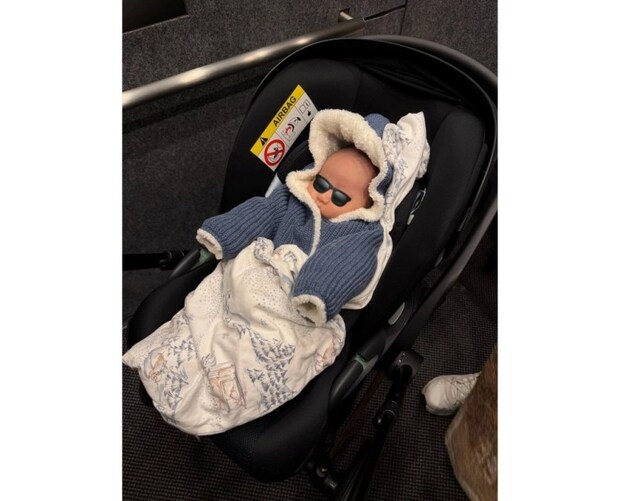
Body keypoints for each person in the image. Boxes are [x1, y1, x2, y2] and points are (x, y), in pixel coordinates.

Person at [123, 109, 431, 436]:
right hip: (259, 274)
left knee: (263, 350)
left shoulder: (360, 232)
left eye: (340, 197)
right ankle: (189, 359)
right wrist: (224, 234)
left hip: (300, 304)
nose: (323, 196)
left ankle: (229, 386)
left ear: (368, 202)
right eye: (322, 183)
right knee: (213, 313)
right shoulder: (293, 196)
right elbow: (262, 213)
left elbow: (347, 262)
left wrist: (317, 291)